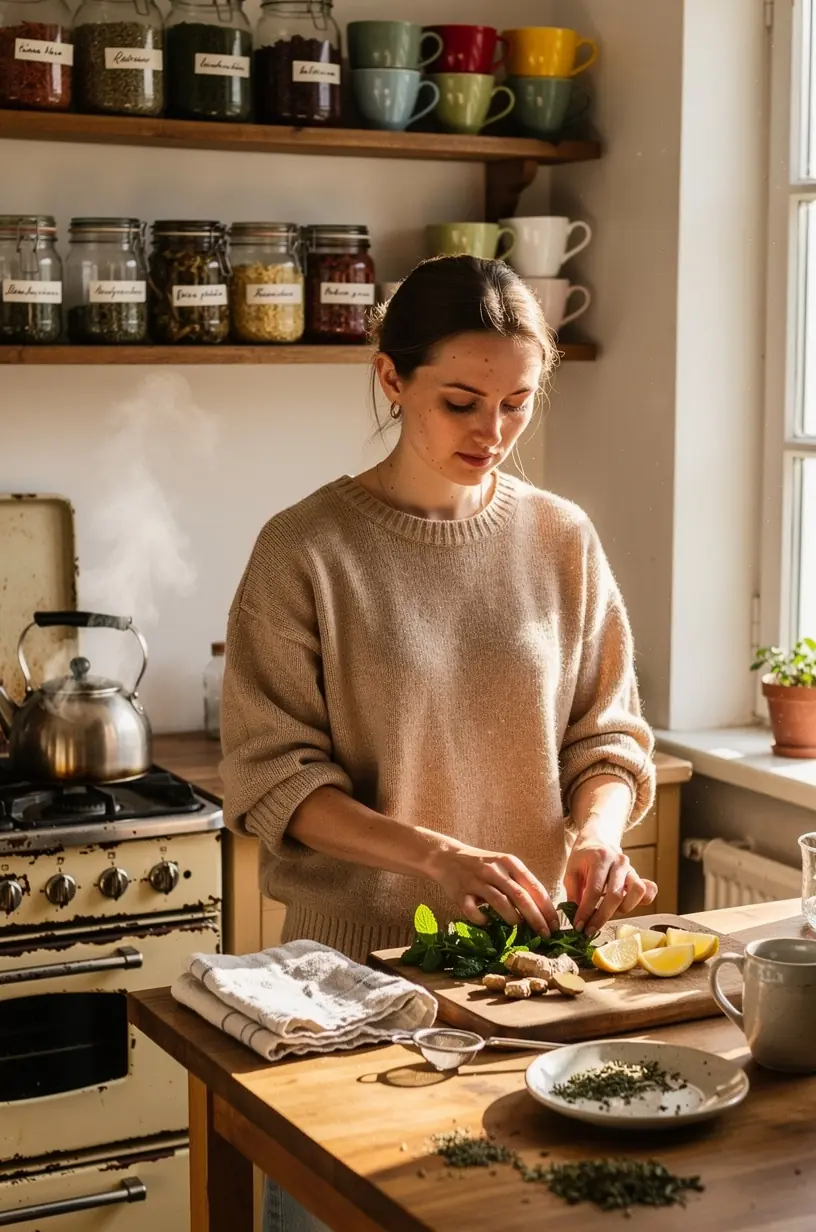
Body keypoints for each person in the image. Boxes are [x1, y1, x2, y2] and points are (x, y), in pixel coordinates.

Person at [221, 254, 657, 1232]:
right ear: (391, 377)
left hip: (529, 979)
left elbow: (609, 732)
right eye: (463, 400)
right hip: (351, 986)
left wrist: (597, 833)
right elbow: (273, 778)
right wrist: (434, 853)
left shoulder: (561, 538)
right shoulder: (306, 550)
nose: (493, 432)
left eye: (518, 402)